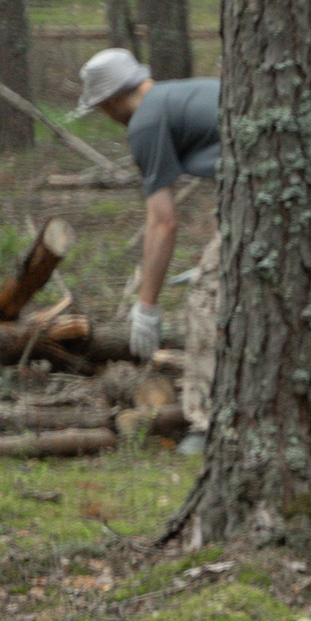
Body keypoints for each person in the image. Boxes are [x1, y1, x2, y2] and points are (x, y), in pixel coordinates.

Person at [76, 47, 220, 456]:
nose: (107, 116)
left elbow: (162, 220)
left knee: (207, 299)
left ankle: (207, 425)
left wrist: (147, 305)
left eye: (102, 107)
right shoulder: (178, 96)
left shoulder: (146, 121)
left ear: (114, 99)